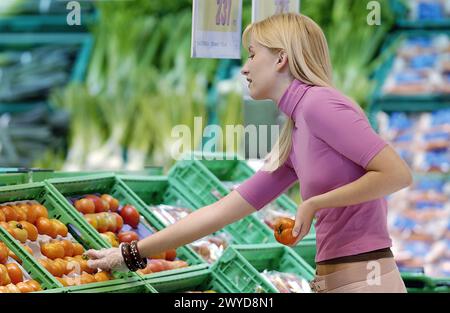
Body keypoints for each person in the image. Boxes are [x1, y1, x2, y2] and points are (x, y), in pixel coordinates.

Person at [86, 13, 411, 293]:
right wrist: (131, 254)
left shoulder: (320, 105)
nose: (244, 68)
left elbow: (396, 174)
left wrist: (314, 203)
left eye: (253, 55)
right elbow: (223, 211)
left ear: (281, 59)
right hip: (338, 281)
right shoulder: (295, 132)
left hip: (366, 282)